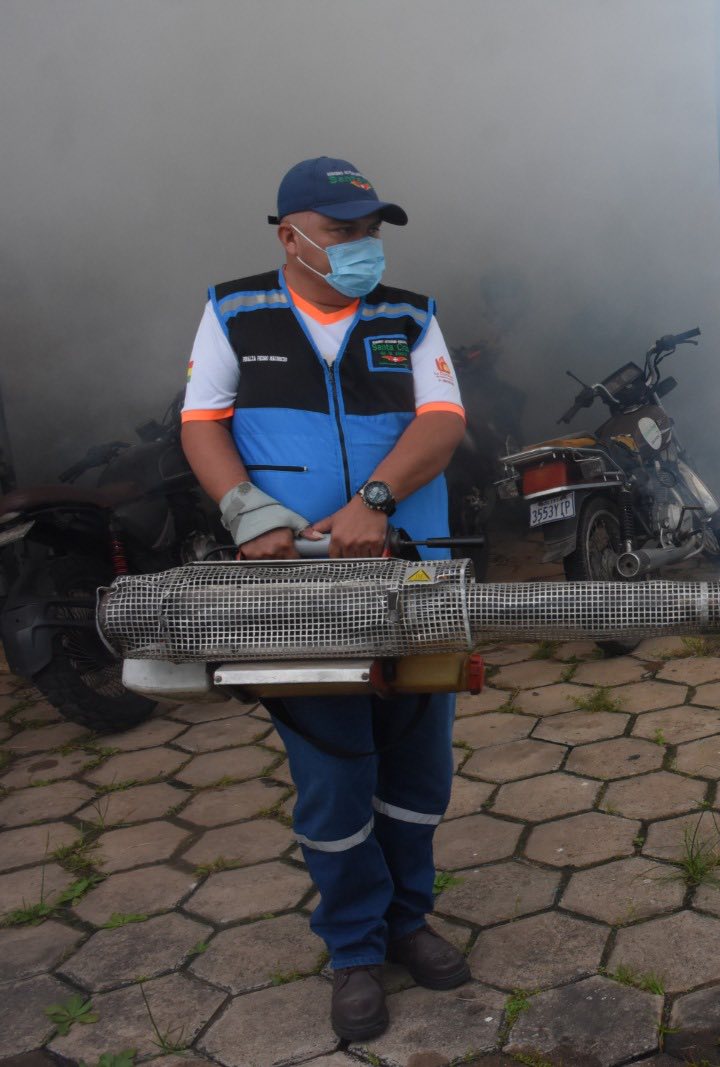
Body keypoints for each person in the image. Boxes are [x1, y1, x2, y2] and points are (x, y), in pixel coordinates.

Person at [180, 156, 469, 1041]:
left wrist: (373, 503)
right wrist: (247, 511)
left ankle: (408, 919)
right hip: (295, 583)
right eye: (342, 231)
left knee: (418, 763)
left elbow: (443, 422)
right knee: (333, 770)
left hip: (410, 571)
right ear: (290, 236)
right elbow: (202, 423)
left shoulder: (409, 316)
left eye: (370, 230)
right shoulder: (236, 312)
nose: (361, 247)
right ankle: (352, 946)